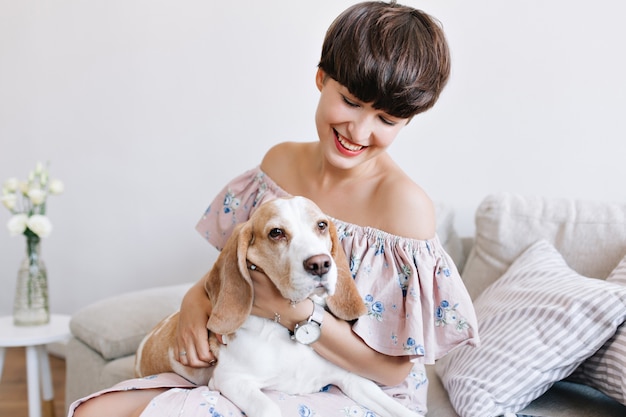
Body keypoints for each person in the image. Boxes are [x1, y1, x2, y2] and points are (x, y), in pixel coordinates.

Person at [69, 2, 479, 416]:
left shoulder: (405, 207)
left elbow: (392, 372)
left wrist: (293, 313)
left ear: (408, 121)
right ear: (321, 78)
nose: (360, 132)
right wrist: (195, 300)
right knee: (95, 411)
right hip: (264, 360)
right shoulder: (279, 165)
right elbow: (236, 266)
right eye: (351, 102)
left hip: (355, 386)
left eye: (386, 120)